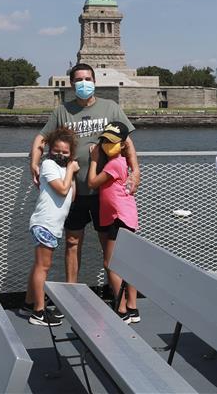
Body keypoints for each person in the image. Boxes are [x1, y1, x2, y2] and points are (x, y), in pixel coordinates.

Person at [30, 62, 140, 285]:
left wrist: (135, 171)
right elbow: (41, 139)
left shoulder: (110, 108)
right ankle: (72, 293)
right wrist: (34, 163)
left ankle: (119, 299)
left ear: (95, 82)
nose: (83, 83)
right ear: (71, 84)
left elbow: (127, 142)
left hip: (104, 192)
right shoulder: (62, 111)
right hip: (73, 191)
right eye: (79, 80)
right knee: (72, 242)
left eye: (87, 79)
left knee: (108, 245)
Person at [23, 127, 80, 327]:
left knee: (39, 265)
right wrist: (72, 171)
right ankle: (38, 312)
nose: (60, 155)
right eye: (57, 150)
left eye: (65, 152)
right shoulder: (47, 164)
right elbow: (63, 190)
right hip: (44, 223)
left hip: (52, 226)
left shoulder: (64, 170)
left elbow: (72, 197)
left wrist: (70, 173)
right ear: (50, 151)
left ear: (71, 153)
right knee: (43, 266)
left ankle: (29, 303)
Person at [87, 121, 140, 323]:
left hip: (119, 217)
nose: (106, 145)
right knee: (128, 264)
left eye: (112, 142)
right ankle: (132, 307)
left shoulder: (115, 163)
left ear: (123, 144)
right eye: (104, 140)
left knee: (110, 262)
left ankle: (121, 309)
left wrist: (93, 160)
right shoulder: (120, 162)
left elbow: (92, 183)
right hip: (122, 216)